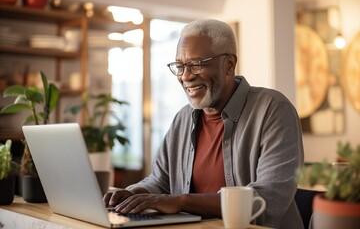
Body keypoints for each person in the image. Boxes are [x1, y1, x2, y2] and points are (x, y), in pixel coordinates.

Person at [104, 19, 304, 228]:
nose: (186, 76)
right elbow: (159, 181)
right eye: (180, 66)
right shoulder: (183, 119)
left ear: (229, 64)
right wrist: (133, 194)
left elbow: (268, 199)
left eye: (196, 64)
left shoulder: (274, 110)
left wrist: (180, 201)